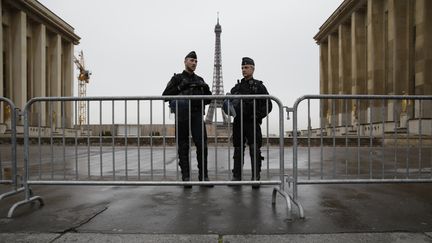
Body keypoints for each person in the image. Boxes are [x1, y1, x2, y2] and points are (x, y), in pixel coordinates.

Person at [162, 51, 212, 188]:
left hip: (196, 114)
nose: (194, 63)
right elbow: (165, 96)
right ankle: (186, 177)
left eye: (196, 61)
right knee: (183, 146)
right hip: (182, 115)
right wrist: (179, 87)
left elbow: (209, 100)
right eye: (191, 60)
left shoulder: (200, 80)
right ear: (185, 61)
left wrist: (207, 91)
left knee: (202, 145)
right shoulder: (177, 79)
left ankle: (204, 176)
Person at [229, 57, 272, 188]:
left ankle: (255, 177)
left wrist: (258, 115)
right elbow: (228, 106)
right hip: (238, 122)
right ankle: (237, 176)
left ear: (253, 69)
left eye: (246, 67)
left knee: (255, 149)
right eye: (242, 68)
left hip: (252, 122)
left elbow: (268, 105)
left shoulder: (259, 86)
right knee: (238, 149)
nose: (244, 70)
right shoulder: (236, 88)